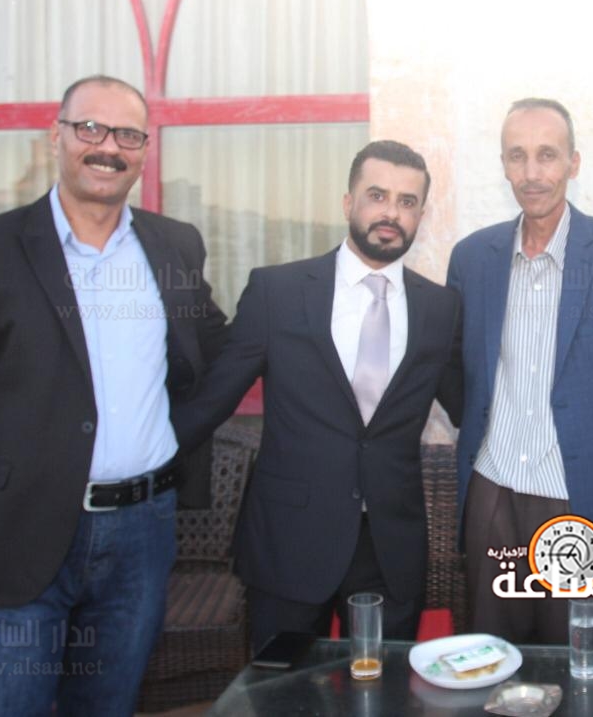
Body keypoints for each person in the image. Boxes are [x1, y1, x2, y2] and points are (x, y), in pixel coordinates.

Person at [0, 75, 228, 716]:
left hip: (142, 535)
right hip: (16, 535)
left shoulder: (174, 245)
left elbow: (216, 349)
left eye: (127, 135)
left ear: (145, 150)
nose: (108, 147)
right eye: (90, 128)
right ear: (55, 137)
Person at [173, 140, 462, 652]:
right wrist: (140, 465)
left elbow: (470, 407)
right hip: (290, 540)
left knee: (380, 688)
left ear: (421, 214)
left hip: (390, 548)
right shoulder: (278, 293)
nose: (391, 213)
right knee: (279, 687)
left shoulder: (440, 309)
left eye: (407, 201)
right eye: (377, 195)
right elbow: (212, 399)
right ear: (349, 202)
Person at [446, 98, 593, 646]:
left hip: (587, 507)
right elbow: (455, 374)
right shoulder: (471, 258)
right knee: (491, 663)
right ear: (503, 165)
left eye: (547, 155)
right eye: (517, 155)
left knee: (584, 668)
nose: (532, 172)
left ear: (574, 162)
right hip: (492, 497)